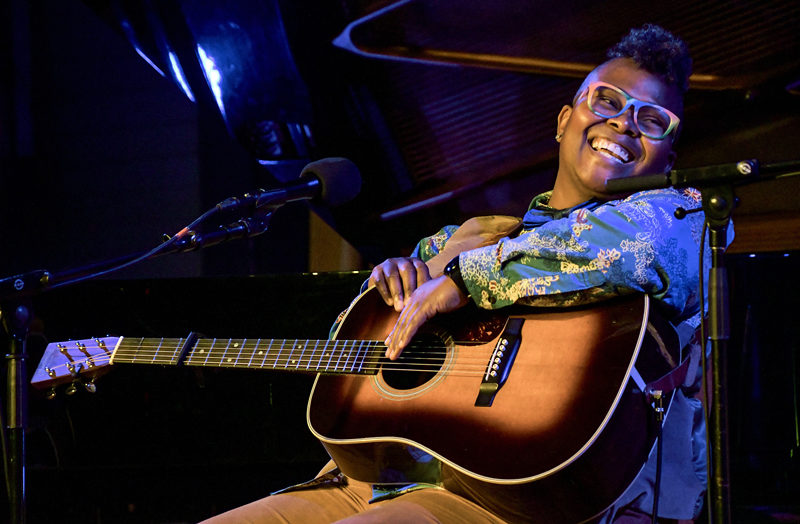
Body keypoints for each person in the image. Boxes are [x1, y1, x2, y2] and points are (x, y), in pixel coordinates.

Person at [203, 23, 727, 523]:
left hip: (510, 499)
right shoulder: (465, 239)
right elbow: (351, 355)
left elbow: (623, 243)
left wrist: (458, 281)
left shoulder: (682, 218)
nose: (624, 123)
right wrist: (416, 273)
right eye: (607, 101)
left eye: (652, 120)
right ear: (564, 120)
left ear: (667, 157)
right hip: (370, 479)